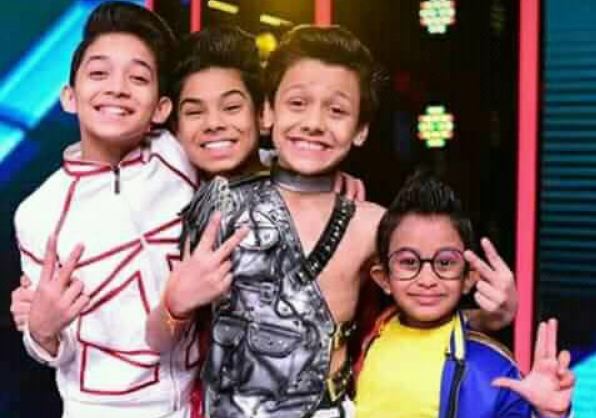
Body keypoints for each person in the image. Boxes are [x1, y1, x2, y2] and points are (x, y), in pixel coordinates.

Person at [153, 25, 519, 418]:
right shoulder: (217, 206)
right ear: (268, 112)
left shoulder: (371, 224)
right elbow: (160, 345)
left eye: (337, 110)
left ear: (360, 130)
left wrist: (491, 317)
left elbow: (420, 316)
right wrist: (176, 305)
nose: (314, 122)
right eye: (298, 103)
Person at [13, 2, 200, 417]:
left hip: (198, 401)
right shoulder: (39, 212)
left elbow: (244, 159)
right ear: (69, 97)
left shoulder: (178, 156)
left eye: (138, 77)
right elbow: (46, 345)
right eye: (99, 74)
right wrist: (41, 329)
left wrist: (326, 183)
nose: (117, 88)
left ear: (161, 108)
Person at [355, 173, 574, 418]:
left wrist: (547, 414)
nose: (427, 280)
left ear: (469, 278)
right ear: (383, 278)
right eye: (408, 262)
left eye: (445, 262)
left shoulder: (493, 368)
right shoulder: (368, 339)